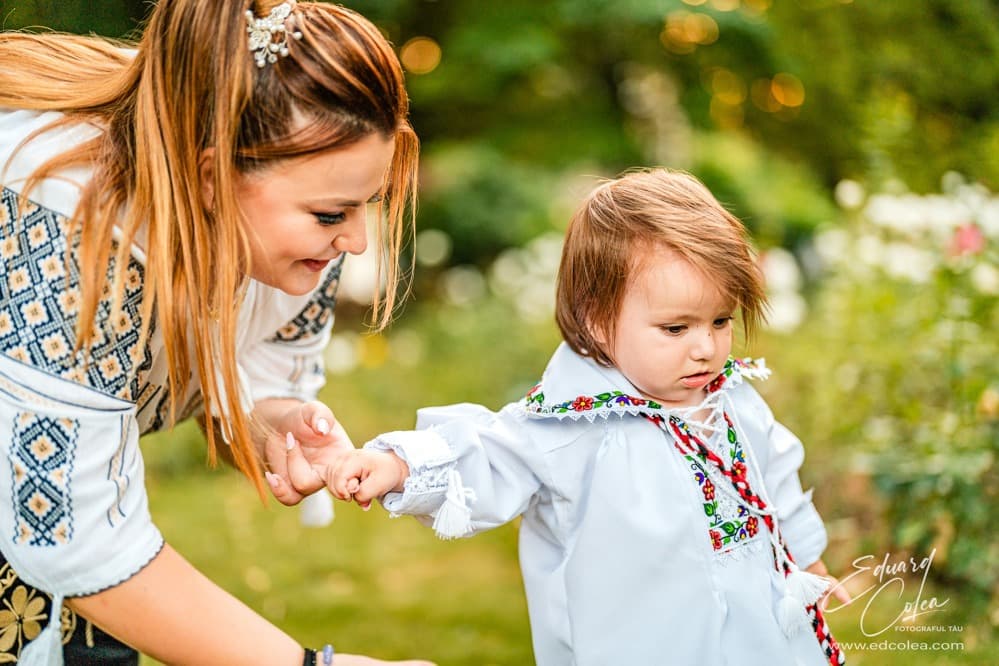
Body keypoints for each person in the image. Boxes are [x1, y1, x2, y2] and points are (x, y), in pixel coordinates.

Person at [0, 1, 431, 664]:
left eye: (363, 204)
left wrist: (261, 415)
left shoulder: (284, 241)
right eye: (328, 213)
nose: (354, 239)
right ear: (209, 178)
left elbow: (251, 363)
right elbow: (64, 530)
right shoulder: (68, 226)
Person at [286, 169, 852, 665]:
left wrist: (808, 555)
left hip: (756, 632)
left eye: (721, 322)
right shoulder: (571, 427)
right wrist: (397, 466)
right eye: (676, 328)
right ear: (598, 320)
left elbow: (775, 475)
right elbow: (487, 454)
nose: (705, 348)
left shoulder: (730, 400)